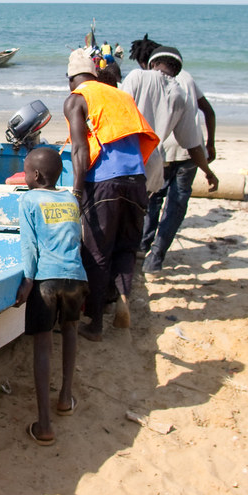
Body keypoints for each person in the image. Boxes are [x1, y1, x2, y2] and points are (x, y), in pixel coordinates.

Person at [64, 48, 160, 341]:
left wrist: (77, 192)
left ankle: (94, 324)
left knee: (97, 253)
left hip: (103, 183)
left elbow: (80, 149)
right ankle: (122, 298)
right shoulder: (121, 96)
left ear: (71, 79)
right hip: (136, 180)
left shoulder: (76, 99)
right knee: (125, 247)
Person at [14, 147, 89, 447]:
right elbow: (76, 239)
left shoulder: (29, 199)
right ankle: (66, 398)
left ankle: (44, 424)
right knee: (70, 332)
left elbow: (29, 244)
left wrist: (28, 280)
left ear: (35, 176)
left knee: (43, 344)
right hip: (76, 277)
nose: (24, 175)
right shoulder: (71, 199)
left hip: (45, 278)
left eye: (25, 170)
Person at [122, 43, 218, 273]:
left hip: (126, 158)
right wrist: (208, 171)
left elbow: (118, 109)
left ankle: (130, 261)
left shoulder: (137, 77)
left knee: (125, 219)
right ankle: (152, 261)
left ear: (153, 63)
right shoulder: (181, 93)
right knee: (163, 208)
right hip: (154, 161)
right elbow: (192, 143)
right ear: (177, 69)